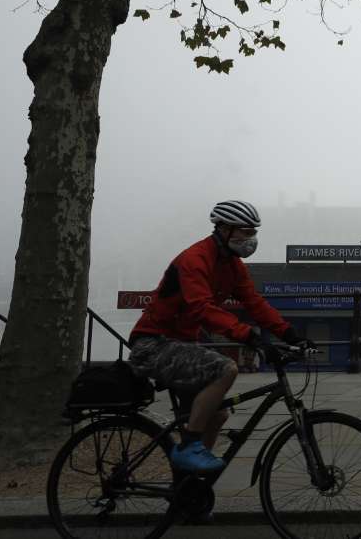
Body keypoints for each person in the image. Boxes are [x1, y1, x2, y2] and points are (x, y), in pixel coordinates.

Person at [128, 200, 311, 474]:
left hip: (182, 344)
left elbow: (254, 303)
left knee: (217, 414)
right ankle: (190, 446)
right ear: (224, 229)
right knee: (225, 368)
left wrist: (291, 334)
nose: (251, 239)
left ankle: (191, 485)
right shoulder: (195, 259)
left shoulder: (233, 265)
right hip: (153, 344)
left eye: (253, 233)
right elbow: (201, 308)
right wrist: (251, 337)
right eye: (245, 232)